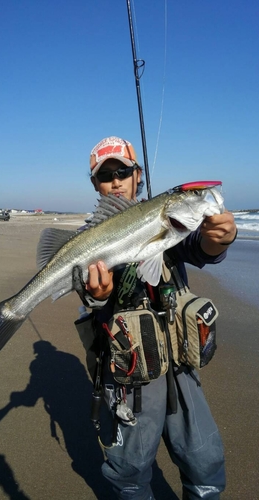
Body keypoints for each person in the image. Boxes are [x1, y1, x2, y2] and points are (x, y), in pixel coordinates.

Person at [76, 136, 237, 500]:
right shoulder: (90, 235)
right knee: (130, 468)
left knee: (205, 458)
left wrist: (221, 238)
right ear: (96, 185)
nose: (116, 180)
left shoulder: (167, 218)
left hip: (179, 363)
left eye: (124, 171)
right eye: (106, 176)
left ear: (138, 176)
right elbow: (86, 292)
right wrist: (98, 296)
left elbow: (200, 247)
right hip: (131, 370)